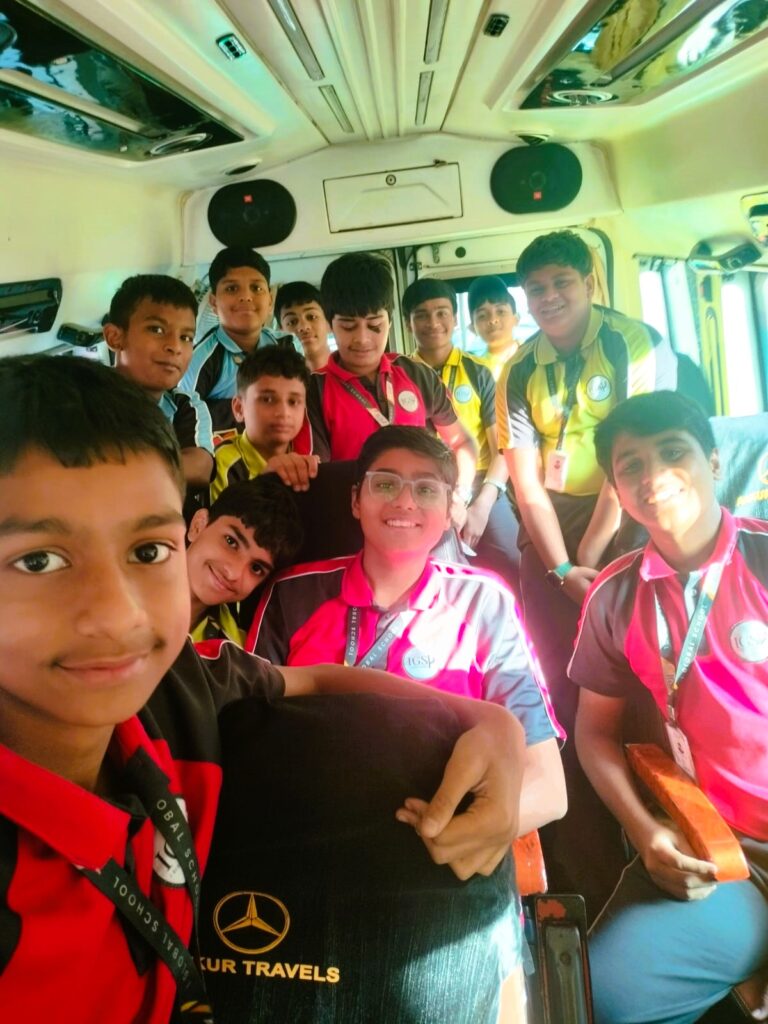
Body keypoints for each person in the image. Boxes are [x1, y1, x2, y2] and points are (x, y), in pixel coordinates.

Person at [0, 354, 525, 1023]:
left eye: (148, 552)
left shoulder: (180, 690)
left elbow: (313, 679)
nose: (117, 614)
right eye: (39, 561)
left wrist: (488, 721)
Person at [249, 425, 566, 840]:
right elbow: (251, 736)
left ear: (450, 509)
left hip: (437, 838)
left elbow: (547, 784)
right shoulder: (292, 594)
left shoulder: (485, 602)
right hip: (310, 828)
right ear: (356, 501)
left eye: (426, 489)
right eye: (385, 484)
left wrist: (454, 840)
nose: (404, 501)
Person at [571, 391, 768, 1024]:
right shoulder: (614, 595)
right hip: (719, 849)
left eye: (673, 452)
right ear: (616, 489)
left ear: (714, 461)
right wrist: (643, 827)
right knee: (599, 1001)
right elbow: (594, 734)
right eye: (631, 465)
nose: (653, 475)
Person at [497, 229, 677, 910]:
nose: (548, 298)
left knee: (638, 677)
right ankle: (581, 852)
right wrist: (561, 567)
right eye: (536, 289)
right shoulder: (520, 368)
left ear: (590, 282)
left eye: (561, 283)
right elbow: (525, 484)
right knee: (555, 687)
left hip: (625, 511)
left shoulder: (634, 344)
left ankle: (658, 817)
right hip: (551, 530)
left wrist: (593, 566)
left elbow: (627, 463)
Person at [300, 252, 477, 528]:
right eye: (348, 326)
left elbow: (462, 442)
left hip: (424, 518)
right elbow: (317, 475)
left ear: (391, 321)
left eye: (375, 325)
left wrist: (459, 496)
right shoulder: (313, 390)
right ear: (330, 324)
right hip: (356, 525)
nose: (363, 339)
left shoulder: (416, 374)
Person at [403, 277, 520, 590]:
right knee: (430, 574)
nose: (433, 323)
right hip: (424, 487)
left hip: (479, 484)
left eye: (442, 313)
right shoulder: (400, 375)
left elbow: (502, 449)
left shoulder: (479, 371)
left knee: (512, 560)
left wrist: (481, 505)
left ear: (455, 319)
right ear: (407, 323)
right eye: (421, 315)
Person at [103, 273, 214, 490]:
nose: (175, 347)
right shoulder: (83, 397)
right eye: (157, 330)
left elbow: (200, 467)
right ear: (115, 337)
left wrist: (118, 472)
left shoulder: (185, 405)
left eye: (186, 337)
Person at [180, 246, 297, 434]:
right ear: (214, 303)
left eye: (256, 288)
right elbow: (184, 423)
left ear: (270, 300)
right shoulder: (200, 360)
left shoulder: (288, 346)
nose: (246, 297)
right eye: (232, 288)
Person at [187, 476, 303, 645]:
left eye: (256, 568)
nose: (233, 573)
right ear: (198, 525)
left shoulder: (233, 651)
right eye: (231, 542)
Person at [210, 346, 316, 501]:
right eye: (267, 399)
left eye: (293, 402)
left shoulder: (306, 457)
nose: (283, 412)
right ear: (239, 408)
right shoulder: (222, 465)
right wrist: (266, 480)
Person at [467, 275, 520, 380]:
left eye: (500, 312)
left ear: (516, 319)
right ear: (472, 328)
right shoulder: (474, 370)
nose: (492, 319)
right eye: (482, 316)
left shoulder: (534, 354)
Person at [275, 279, 332, 371]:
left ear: (328, 321)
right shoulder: (275, 378)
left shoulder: (353, 371)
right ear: (281, 332)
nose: (303, 327)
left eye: (312, 317)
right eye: (292, 322)